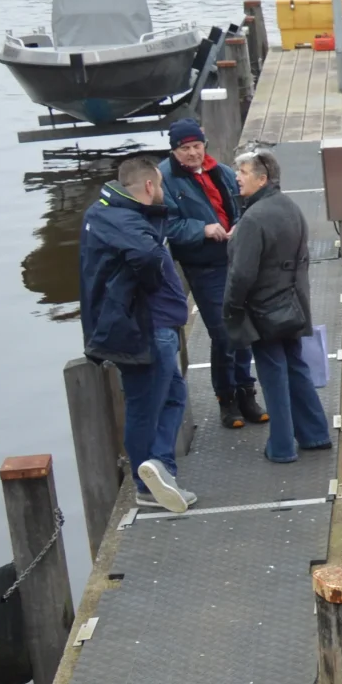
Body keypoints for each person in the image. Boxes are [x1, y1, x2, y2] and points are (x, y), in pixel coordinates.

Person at [77, 153, 196, 513]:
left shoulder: (109, 213)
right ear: (148, 185)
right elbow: (145, 256)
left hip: (145, 325)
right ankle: (148, 484)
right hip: (145, 328)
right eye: (160, 185)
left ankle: (160, 469)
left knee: (173, 396)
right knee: (145, 406)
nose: (163, 191)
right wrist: (154, 279)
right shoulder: (123, 218)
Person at [223, 146, 331, 464]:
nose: (237, 178)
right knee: (296, 368)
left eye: (243, 172)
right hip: (294, 306)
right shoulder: (290, 207)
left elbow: (242, 274)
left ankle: (282, 447)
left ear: (262, 178)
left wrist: (232, 307)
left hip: (265, 311)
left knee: (273, 377)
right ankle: (315, 434)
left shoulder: (253, 219)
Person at [159, 119, 264, 428]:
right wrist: (202, 229)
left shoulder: (221, 171)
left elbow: (243, 204)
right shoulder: (165, 179)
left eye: (197, 146)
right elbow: (167, 225)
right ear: (174, 151)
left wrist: (240, 225)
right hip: (203, 264)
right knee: (223, 331)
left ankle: (246, 390)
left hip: (235, 258)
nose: (193, 153)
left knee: (243, 326)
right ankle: (226, 397)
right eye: (185, 148)